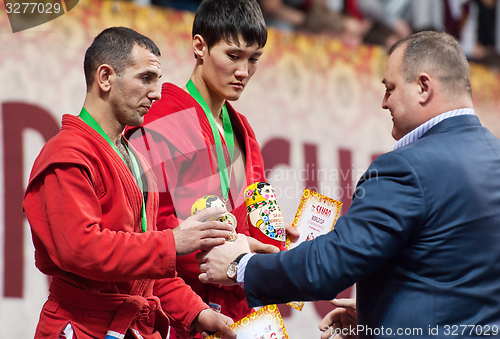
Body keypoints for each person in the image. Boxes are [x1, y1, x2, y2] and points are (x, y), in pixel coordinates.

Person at [197, 31, 500, 338]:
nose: (384, 103)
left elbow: (334, 262)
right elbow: (454, 277)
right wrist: (377, 316)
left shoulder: (408, 166)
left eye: (390, 89)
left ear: (423, 87)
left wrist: (241, 267)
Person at [23, 27, 237, 339]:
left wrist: (197, 311)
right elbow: (80, 249)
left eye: (159, 81)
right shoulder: (67, 153)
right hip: (81, 326)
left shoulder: (136, 158)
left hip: (131, 326)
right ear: (106, 78)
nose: (157, 93)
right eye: (146, 78)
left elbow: (147, 270)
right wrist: (172, 243)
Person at [125, 3, 300, 338]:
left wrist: (275, 240)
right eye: (233, 56)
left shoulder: (242, 128)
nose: (244, 71)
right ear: (199, 47)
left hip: (239, 315)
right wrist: (238, 257)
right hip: (181, 316)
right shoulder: (161, 117)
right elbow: (150, 234)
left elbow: (258, 209)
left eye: (254, 59)